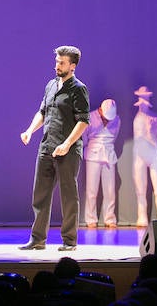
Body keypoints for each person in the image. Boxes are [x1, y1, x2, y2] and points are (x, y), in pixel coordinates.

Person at [19, 45, 90, 251]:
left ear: (73, 66)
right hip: (47, 146)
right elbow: (43, 111)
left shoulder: (78, 89)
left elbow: (83, 121)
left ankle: (69, 241)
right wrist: (30, 131)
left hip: (67, 150)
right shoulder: (51, 85)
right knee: (40, 194)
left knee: (68, 196)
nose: (57, 66)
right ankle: (37, 239)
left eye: (61, 62)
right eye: (56, 61)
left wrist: (67, 144)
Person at [131, 86, 157, 226]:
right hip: (139, 153)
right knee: (140, 190)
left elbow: (151, 133)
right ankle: (142, 217)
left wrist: (150, 126)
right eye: (140, 97)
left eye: (144, 97)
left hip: (153, 152)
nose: (142, 100)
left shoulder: (154, 117)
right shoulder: (137, 118)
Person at [82, 98, 120, 228]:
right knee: (92, 189)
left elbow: (114, 137)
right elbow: (84, 137)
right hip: (93, 154)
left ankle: (110, 218)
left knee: (110, 190)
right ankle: (91, 218)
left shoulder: (117, 120)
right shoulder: (90, 117)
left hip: (109, 154)